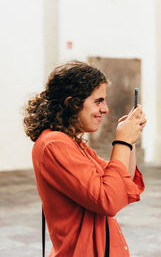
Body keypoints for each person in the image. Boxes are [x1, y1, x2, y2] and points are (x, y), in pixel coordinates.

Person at [24, 61, 147, 257]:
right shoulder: (54, 144)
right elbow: (109, 200)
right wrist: (121, 141)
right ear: (72, 103)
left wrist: (129, 140)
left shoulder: (73, 143)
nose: (105, 109)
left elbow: (122, 180)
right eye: (98, 101)